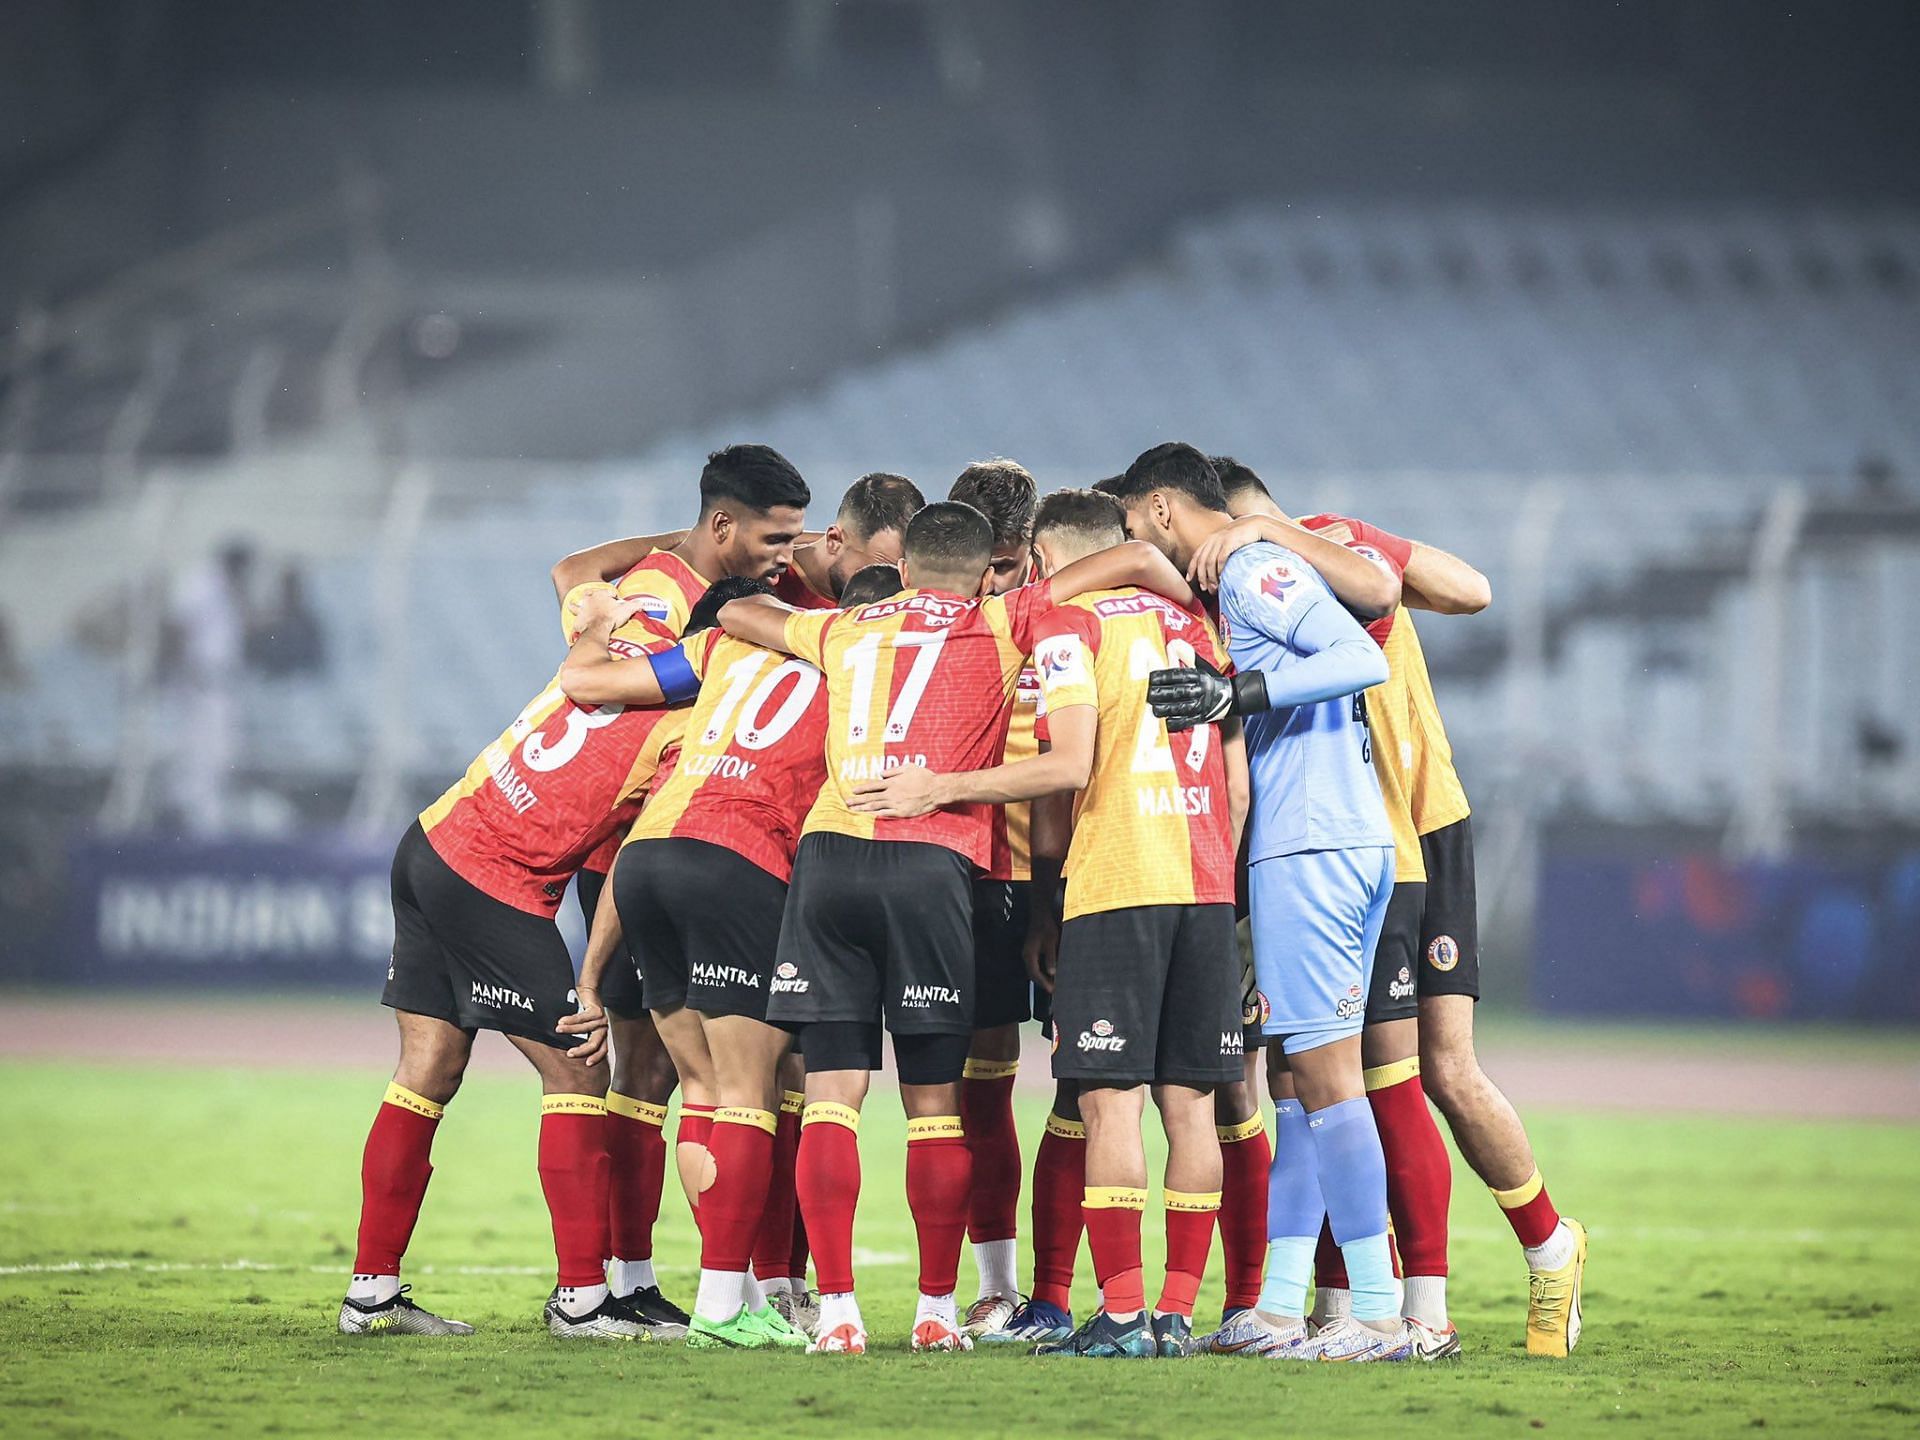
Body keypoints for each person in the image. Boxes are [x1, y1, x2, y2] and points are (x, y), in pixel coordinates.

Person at [336, 445, 807, 1341]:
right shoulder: (696, 695)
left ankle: (370, 1294)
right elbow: (630, 856)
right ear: (722, 529)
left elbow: (573, 576)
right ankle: (583, 1299)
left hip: (438, 832)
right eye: (773, 539)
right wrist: (591, 977)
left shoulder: (647, 595)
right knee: (581, 1066)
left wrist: (632, 586)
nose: (784, 556)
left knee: (427, 1070)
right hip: (495, 874)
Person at [715, 501, 1194, 1356]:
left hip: (827, 861)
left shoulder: (848, 628)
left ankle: (837, 1316)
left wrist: (783, 603)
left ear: (902, 572)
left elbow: (739, 613)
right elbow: (1136, 567)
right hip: (931, 865)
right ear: (984, 575)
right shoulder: (1004, 617)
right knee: (937, 1106)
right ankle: (939, 1311)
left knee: (831, 1097)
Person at [854, 486, 1249, 1360]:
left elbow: (1066, 777)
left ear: (1049, 555)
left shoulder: (1073, 625)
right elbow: (1236, 775)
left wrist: (1039, 892)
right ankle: (1179, 1315)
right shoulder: (1200, 630)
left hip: (1117, 884)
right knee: (1189, 1106)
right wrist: (1223, 876)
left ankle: (1120, 1317)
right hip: (1207, 885)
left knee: (1108, 1105)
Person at [1219, 462, 1586, 1357]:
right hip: (1341, 840)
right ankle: (1355, 1303)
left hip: (1407, 830)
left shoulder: (1320, 547)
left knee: (1415, 1073)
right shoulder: (1233, 584)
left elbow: (1470, 589)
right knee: (1322, 1075)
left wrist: (1277, 532)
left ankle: (1464, 1288)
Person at [1123, 442, 1415, 1363]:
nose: (1140, 543)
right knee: (1294, 1093)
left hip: (1316, 844)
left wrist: (1234, 693)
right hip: (1330, 837)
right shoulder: (1246, 568)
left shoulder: (1251, 568)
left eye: (1136, 525)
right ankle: (1281, 1308)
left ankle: (1376, 1312)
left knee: (1327, 1085)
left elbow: (1354, 658)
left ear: (1164, 509)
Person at [946, 459, 1043, 1339]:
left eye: (1007, 567)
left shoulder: (1062, 620)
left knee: (1100, 1090)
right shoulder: (932, 612)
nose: (990, 582)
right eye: (982, 562)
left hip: (1059, 880)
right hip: (963, 877)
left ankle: (1055, 1293)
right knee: (969, 1092)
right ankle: (991, 1286)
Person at [772, 472, 924, 609]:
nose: (892, 589)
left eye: (902, 575)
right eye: (874, 572)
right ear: (834, 540)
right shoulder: (767, 581)